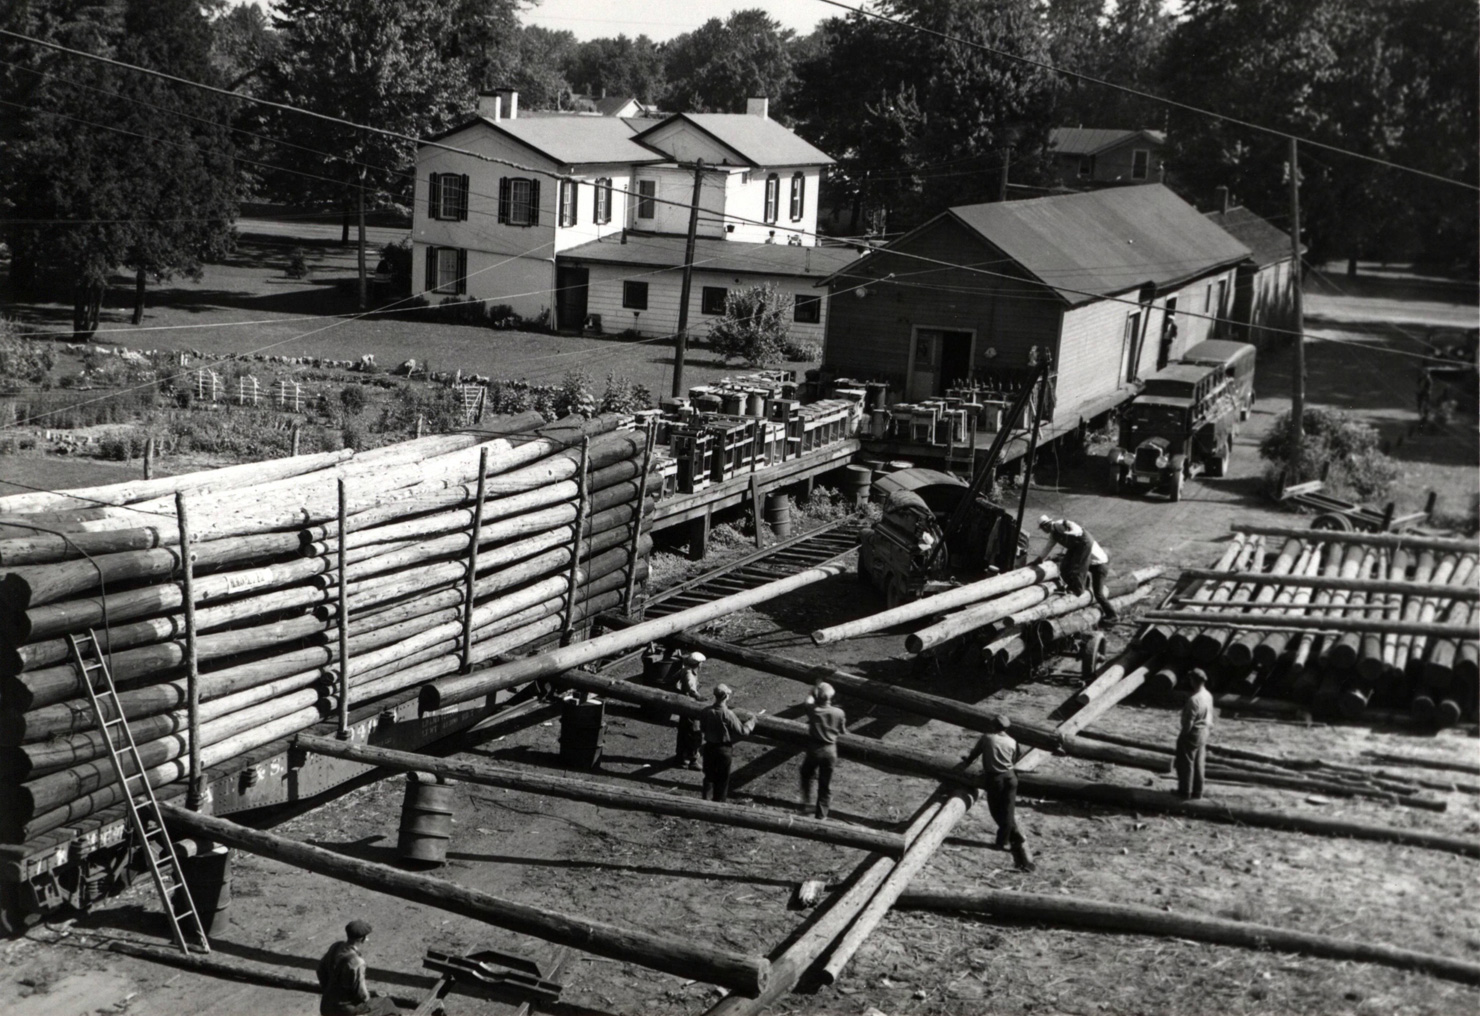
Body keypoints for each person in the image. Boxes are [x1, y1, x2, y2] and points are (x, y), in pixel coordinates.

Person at [960, 714, 1035, 872]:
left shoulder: (987, 738)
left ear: (993, 726)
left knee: (996, 810)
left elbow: (975, 753)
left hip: (995, 779)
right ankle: (1014, 836)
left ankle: (1003, 841)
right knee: (1008, 809)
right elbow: (1016, 757)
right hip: (1011, 777)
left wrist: (966, 762)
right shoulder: (1013, 741)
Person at [1034, 515, 1118, 623]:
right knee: (1065, 567)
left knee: (1098, 594)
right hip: (1088, 562)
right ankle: (1076, 588)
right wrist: (1039, 559)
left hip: (1099, 565)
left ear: (1046, 525)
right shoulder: (1053, 535)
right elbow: (1048, 547)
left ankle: (1112, 615)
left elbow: (1076, 529)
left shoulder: (1061, 524)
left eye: (1043, 528)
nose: (1043, 531)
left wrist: (1072, 533)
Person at [316, 920, 399, 1016]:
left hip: (326, 1004)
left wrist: (328, 990)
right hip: (344, 1010)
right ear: (363, 938)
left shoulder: (335, 946)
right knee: (387, 1004)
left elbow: (320, 970)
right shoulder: (358, 963)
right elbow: (362, 995)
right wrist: (371, 997)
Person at [699, 683, 758, 802]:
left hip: (709, 747)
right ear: (726, 697)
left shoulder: (706, 711)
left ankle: (705, 801)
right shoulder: (728, 714)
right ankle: (719, 803)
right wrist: (751, 722)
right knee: (722, 778)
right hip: (723, 749)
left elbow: (703, 728)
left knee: (709, 776)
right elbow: (742, 731)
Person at [801, 683, 847, 819]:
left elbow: (807, 701)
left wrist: (812, 690)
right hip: (830, 751)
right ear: (831, 697)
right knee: (825, 784)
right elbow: (842, 731)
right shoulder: (839, 712)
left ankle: (806, 803)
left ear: (817, 697)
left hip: (814, 750)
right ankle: (821, 815)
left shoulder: (813, 710)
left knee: (806, 774)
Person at [1177, 667, 1215, 800]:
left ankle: (1184, 792)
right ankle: (1197, 792)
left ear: (1193, 681)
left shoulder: (1194, 700)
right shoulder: (1208, 695)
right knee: (1199, 762)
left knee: (1185, 762)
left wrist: (1183, 736)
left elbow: (1188, 723)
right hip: (1204, 732)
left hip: (1193, 733)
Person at [674, 651, 705, 769]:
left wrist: (678, 692)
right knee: (694, 733)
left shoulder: (685, 670)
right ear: (698, 664)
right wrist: (699, 698)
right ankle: (693, 760)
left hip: (683, 704)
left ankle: (680, 758)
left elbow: (672, 680)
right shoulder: (690, 675)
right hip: (690, 706)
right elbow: (692, 690)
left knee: (682, 731)